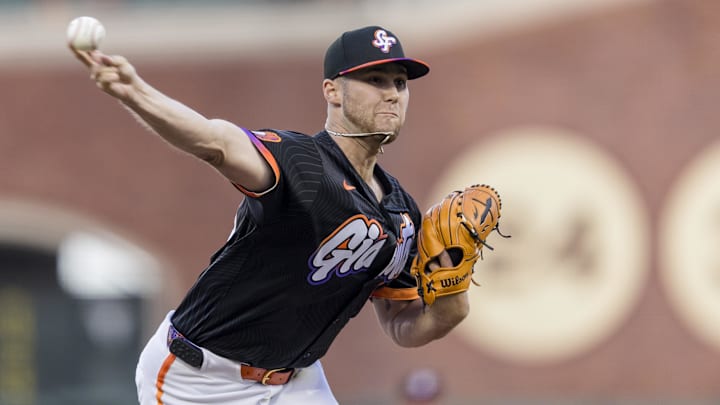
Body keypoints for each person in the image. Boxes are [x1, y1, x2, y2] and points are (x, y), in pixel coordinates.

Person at [71, 25, 468, 405]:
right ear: (332, 91)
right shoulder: (300, 163)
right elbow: (216, 142)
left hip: (297, 381)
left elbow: (402, 322)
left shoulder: (402, 213)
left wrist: (452, 304)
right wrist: (135, 92)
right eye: (375, 80)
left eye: (399, 82)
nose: (392, 94)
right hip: (201, 380)